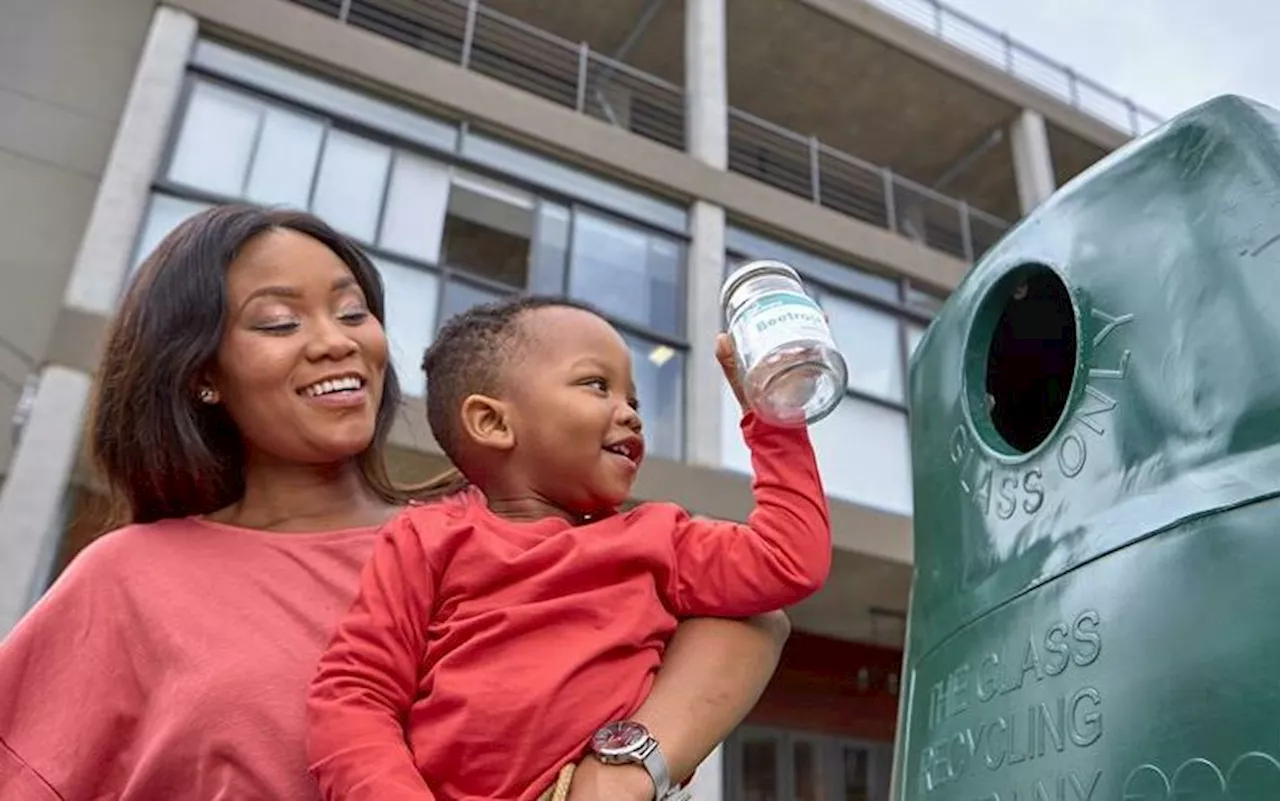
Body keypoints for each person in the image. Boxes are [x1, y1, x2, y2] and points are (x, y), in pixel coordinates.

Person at [0, 205, 793, 801]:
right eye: (279, 321)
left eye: (354, 311)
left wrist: (624, 767)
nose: (338, 340)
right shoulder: (127, 578)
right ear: (202, 371)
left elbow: (750, 614)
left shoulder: (492, 523)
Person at [306, 296, 833, 801]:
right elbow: (355, 696)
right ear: (492, 422)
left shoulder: (659, 538)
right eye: (596, 385)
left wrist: (775, 422)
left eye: (633, 399)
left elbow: (789, 561)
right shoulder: (426, 537)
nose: (630, 413)